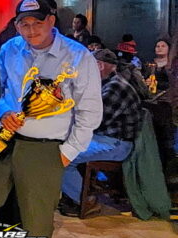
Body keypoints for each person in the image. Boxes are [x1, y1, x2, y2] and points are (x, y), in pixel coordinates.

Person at [0, 0, 102, 238]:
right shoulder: (10, 49)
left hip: (46, 149)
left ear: (51, 21)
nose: (31, 30)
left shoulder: (78, 56)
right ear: (16, 25)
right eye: (24, 24)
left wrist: (68, 153)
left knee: (37, 222)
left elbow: (89, 111)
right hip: (2, 140)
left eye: (37, 23)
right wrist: (2, 112)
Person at [58, 49, 140, 216]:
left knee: (63, 158)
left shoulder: (115, 88)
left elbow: (95, 122)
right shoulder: (107, 84)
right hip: (107, 138)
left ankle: (85, 201)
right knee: (63, 146)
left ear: (99, 65)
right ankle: (75, 195)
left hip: (115, 144)